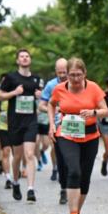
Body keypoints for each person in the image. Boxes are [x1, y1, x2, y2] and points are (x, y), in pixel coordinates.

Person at [47, 58, 108, 214]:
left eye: (78, 75)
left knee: (85, 178)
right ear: (66, 74)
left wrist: (94, 112)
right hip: (67, 134)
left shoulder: (94, 88)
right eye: (72, 75)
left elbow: (106, 110)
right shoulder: (59, 89)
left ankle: (77, 213)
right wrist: (52, 124)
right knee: (74, 171)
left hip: (90, 135)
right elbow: (51, 105)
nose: (75, 79)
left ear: (85, 74)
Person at [0, 49, 44, 202]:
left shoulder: (36, 79)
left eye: (27, 56)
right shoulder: (11, 77)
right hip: (15, 122)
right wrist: (14, 93)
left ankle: (30, 189)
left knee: (29, 154)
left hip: (30, 121)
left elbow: (43, 97)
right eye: (21, 57)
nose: (24, 58)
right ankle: (16, 183)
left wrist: (40, 95)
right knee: (17, 156)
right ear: (17, 61)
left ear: (30, 60)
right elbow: (1, 96)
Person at [39, 58, 69, 204]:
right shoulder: (51, 85)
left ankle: (73, 184)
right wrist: (54, 109)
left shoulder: (76, 82)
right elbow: (41, 105)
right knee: (62, 157)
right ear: (56, 71)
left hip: (75, 126)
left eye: (65, 72)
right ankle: (63, 187)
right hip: (58, 125)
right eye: (60, 72)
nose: (63, 75)